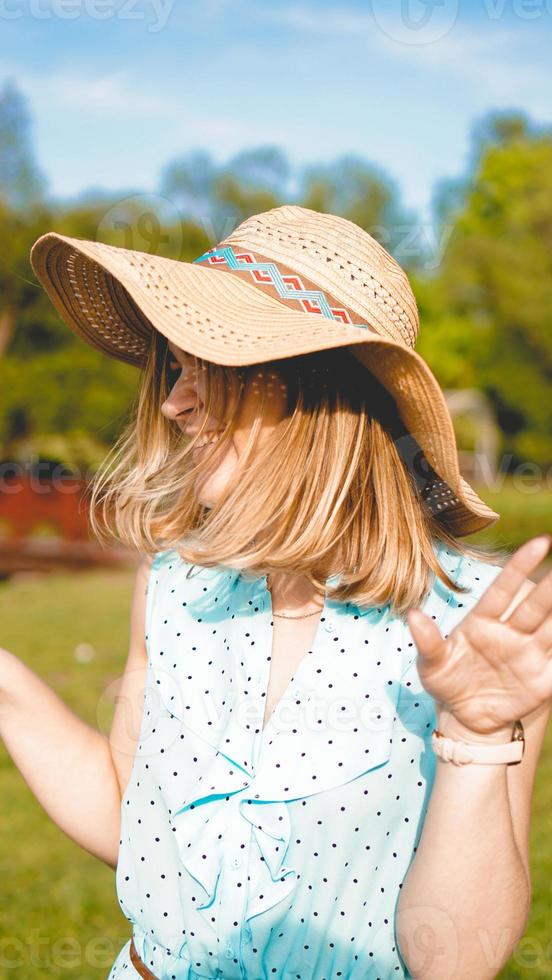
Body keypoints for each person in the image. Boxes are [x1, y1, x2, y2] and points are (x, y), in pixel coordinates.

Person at [3, 204, 549, 979]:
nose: (174, 402)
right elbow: (136, 825)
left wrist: (479, 733)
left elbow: (454, 963)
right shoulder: (176, 587)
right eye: (173, 366)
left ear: (321, 392)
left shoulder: (481, 633)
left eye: (208, 366)